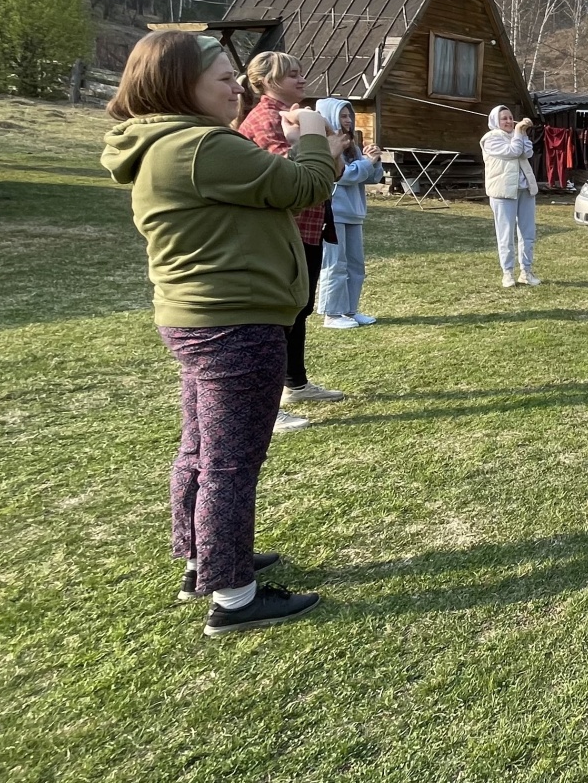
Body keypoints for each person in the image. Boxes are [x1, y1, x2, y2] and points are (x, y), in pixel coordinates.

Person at [102, 31, 345, 635]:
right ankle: (234, 595)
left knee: (200, 449)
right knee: (231, 463)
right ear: (181, 87)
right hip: (234, 321)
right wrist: (313, 135)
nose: (236, 86)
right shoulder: (201, 145)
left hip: (198, 317)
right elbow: (305, 188)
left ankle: (201, 560)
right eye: (221, 78)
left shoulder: (162, 142)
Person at [236, 52, 344, 430]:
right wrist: (324, 147)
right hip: (283, 231)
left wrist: (327, 150)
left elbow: (335, 167)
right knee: (279, 316)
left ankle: (294, 383)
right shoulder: (267, 118)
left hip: (308, 227)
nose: (301, 79)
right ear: (267, 81)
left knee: (299, 309)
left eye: (301, 72)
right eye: (292, 74)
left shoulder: (296, 116)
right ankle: (268, 406)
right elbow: (289, 175)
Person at [315, 99, 383, 328]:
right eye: (343, 116)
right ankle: (331, 313)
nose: (348, 120)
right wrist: (365, 164)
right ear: (330, 117)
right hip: (334, 212)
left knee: (356, 265)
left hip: (354, 213)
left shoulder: (352, 145)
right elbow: (342, 175)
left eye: (349, 116)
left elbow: (369, 177)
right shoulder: (327, 144)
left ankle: (350, 310)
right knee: (335, 264)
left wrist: (374, 160)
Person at [481, 105, 540, 288]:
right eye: (503, 118)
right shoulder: (490, 139)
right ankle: (507, 273)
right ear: (495, 121)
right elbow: (513, 152)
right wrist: (518, 131)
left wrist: (521, 133)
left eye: (510, 117)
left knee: (527, 234)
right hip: (503, 192)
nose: (508, 121)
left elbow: (527, 152)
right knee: (505, 235)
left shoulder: (518, 134)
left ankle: (526, 271)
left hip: (525, 190)